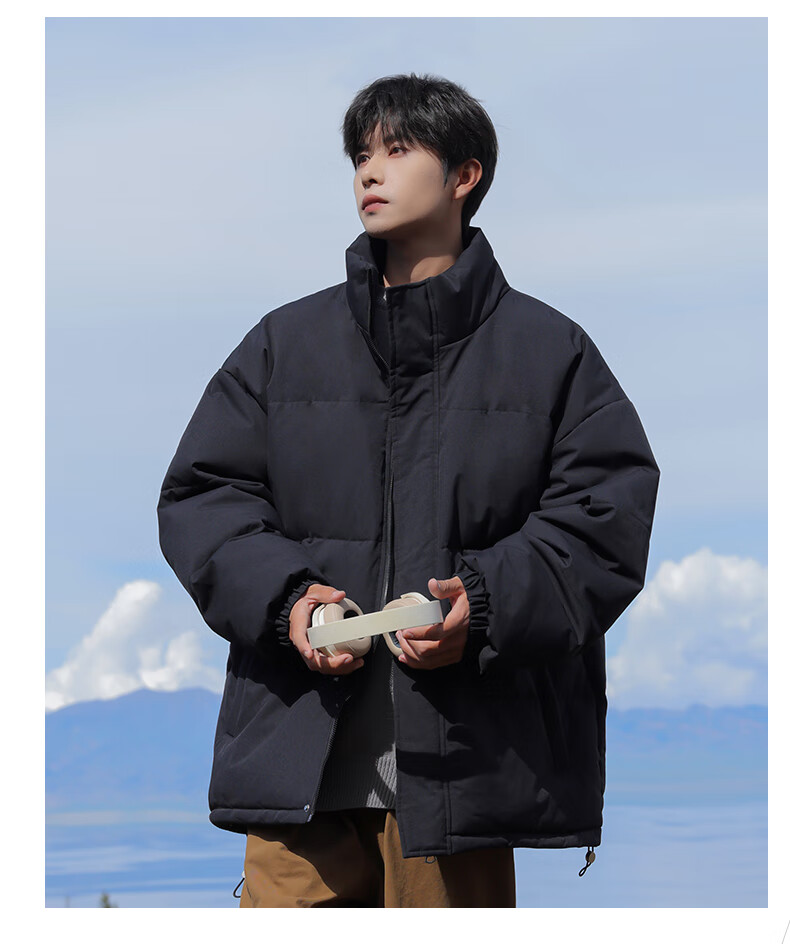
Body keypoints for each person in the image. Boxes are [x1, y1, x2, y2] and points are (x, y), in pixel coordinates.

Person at [157, 72, 660, 908]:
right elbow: (204, 499)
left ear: (465, 175)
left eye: (396, 150)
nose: (369, 171)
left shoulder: (551, 352)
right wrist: (290, 604)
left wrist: (482, 607)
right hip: (298, 772)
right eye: (360, 154)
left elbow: (603, 522)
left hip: (464, 779)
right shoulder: (284, 345)